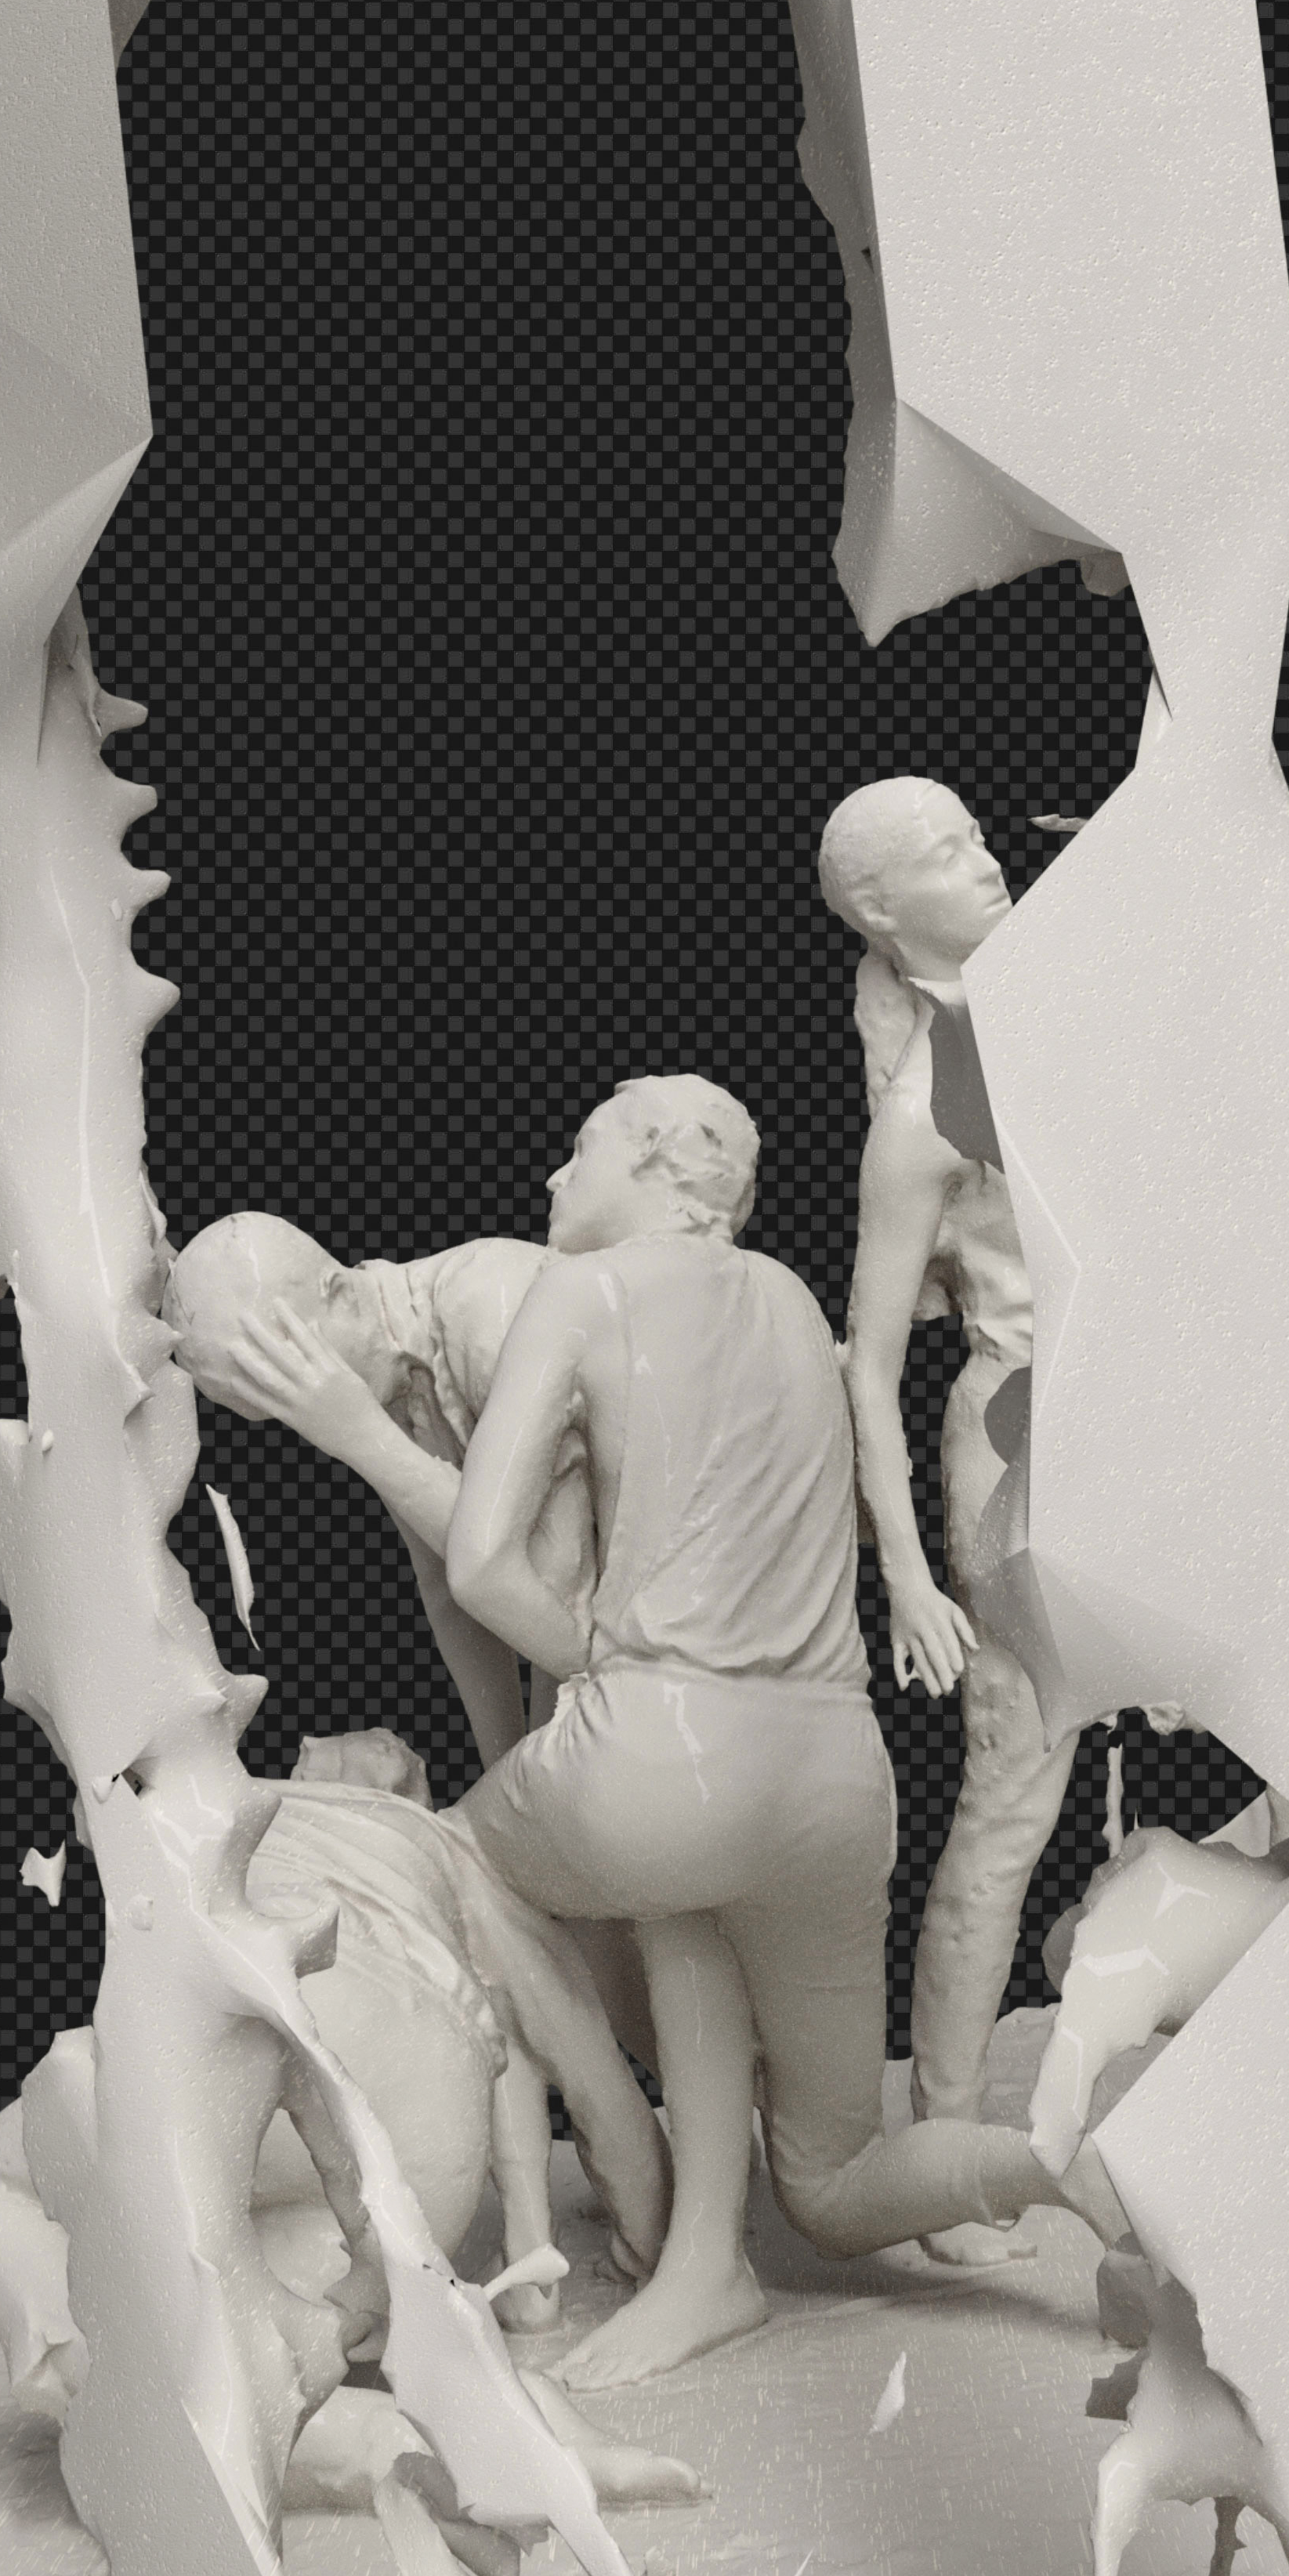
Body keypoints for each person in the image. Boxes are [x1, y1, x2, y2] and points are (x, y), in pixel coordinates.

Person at [233, 1074, 1124, 2387]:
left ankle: (636, 2174)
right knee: (832, 2179)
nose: (555, 1179)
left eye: (581, 1148)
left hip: (659, 1764)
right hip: (839, 1789)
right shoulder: (799, 1302)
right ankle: (1058, 2166)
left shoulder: (576, 1293)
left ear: (655, 1164)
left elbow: (480, 1565)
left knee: (440, 1858)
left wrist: (604, 1666)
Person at [163, 1214, 667, 2321]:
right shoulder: (385, 1382)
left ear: (342, 1295)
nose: (290, 1420)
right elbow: (451, 1590)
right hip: (607, 1669)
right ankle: (655, 2195)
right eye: (265, 1409)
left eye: (287, 1381)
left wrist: (355, 1433)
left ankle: (684, 2212)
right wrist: (504, 1772)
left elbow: (545, 1607)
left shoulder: (496, 1308)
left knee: (619, 1925)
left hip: (684, 1660)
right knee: (551, 1912)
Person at [820, 776, 1083, 2263]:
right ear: (880, 911)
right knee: (1013, 1792)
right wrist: (909, 1579)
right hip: (1025, 1442)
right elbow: (868, 1361)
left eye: (981, 836)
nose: (985, 862)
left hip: (1154, 1425)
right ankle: (946, 2148)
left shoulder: (1079, 1009)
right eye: (945, 854)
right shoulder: (926, 1107)